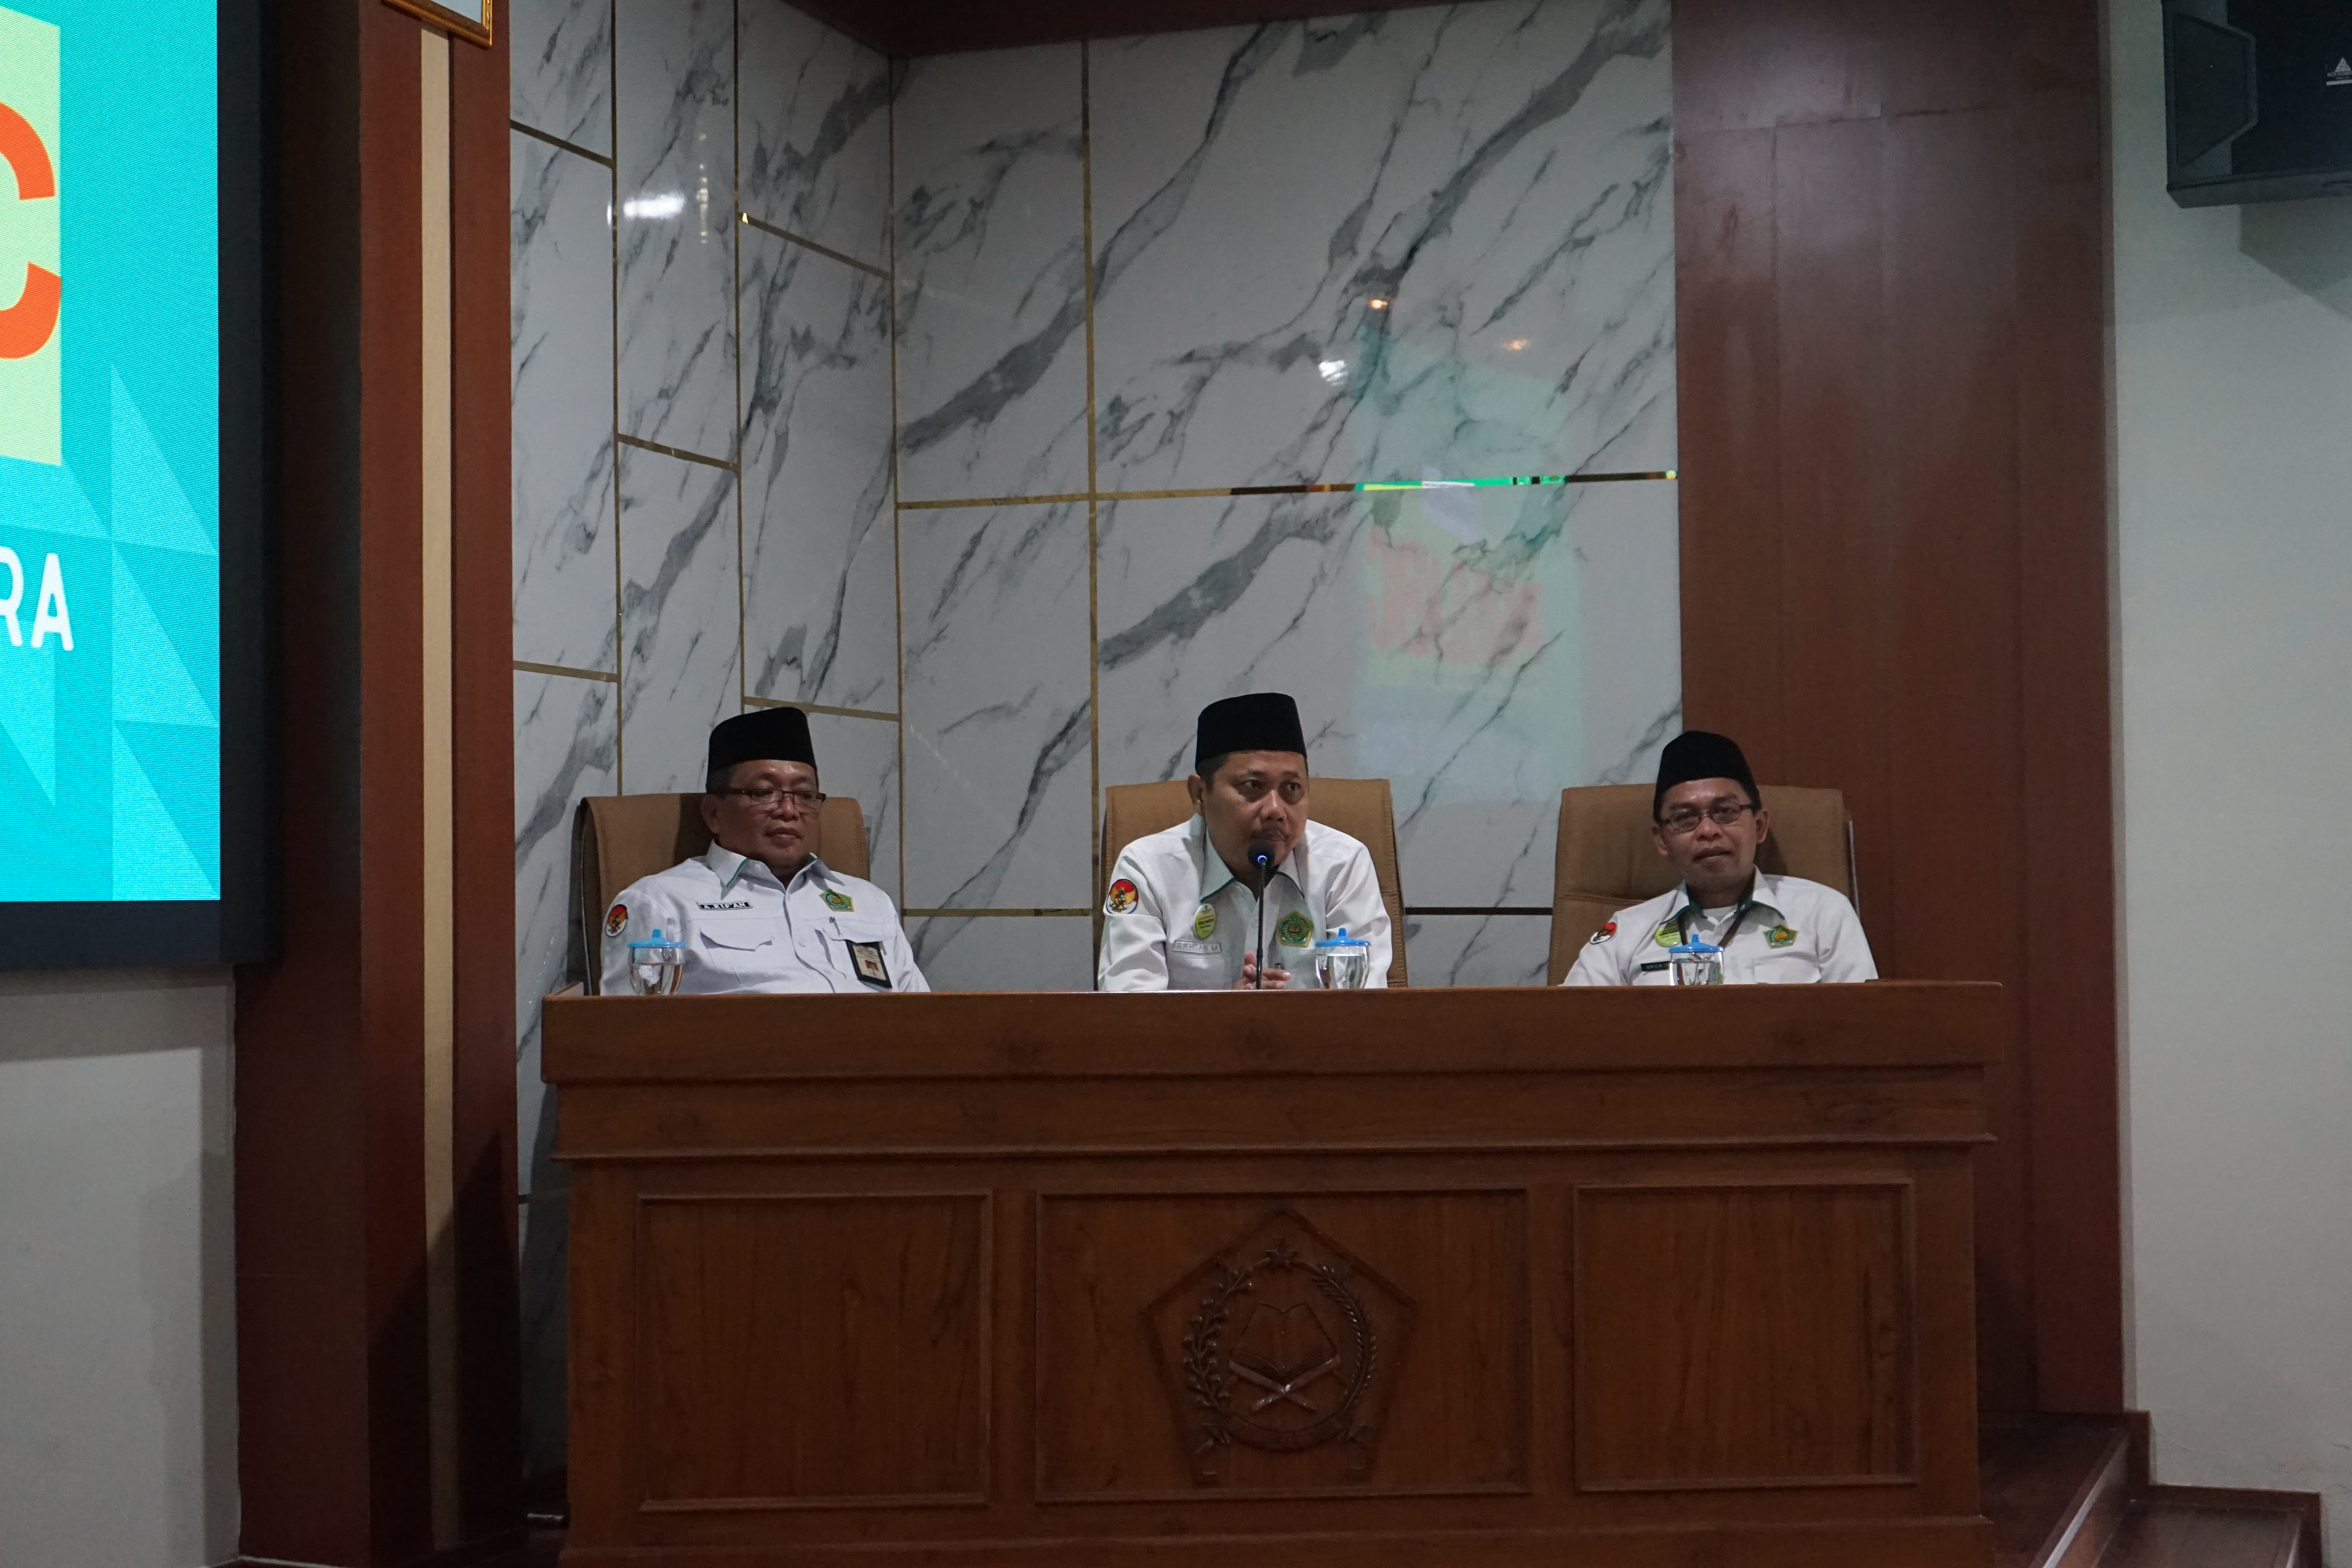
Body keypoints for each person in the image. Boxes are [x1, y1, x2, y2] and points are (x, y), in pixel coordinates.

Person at [599, 707, 927, 995]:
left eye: (805, 795)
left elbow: (926, 1020)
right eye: (763, 793)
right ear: (714, 813)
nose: (788, 810)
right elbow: (628, 1039)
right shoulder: (660, 903)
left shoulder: (871, 903)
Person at [1097, 692, 1390, 991]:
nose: (1276, 810)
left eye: (1292, 787)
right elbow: (1130, 1012)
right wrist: (1227, 1020)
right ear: (1199, 794)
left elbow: (1368, 1006)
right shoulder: (1149, 869)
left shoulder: (1342, 864)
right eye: (1253, 786)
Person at [1563, 730, 1875, 986]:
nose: (1708, 830)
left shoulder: (1823, 913)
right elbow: (1568, 1026)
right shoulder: (1628, 931)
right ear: (1662, 841)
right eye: (1685, 818)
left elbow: (1863, 1029)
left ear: (1760, 825)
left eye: (1726, 812)